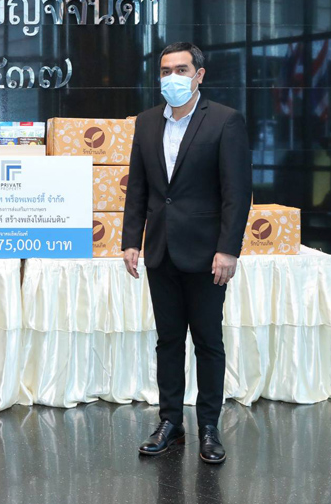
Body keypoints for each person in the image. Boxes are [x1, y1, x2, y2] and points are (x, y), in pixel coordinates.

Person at [121, 42, 252, 465]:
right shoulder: (145, 122)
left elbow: (237, 193)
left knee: (208, 342)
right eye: (165, 71)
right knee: (168, 341)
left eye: (181, 69)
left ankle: (209, 427)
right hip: (160, 250)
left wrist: (228, 249)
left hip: (207, 254)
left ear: (199, 75)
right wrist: (131, 240)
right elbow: (138, 187)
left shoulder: (225, 121)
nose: (172, 78)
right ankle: (170, 422)